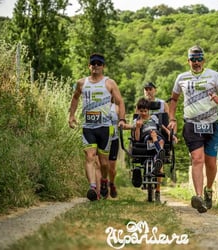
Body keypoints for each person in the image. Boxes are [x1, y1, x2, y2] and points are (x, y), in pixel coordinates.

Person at [167, 45, 218, 213]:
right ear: (188, 61)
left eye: (199, 59)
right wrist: (172, 119)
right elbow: (173, 99)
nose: (196, 62)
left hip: (212, 124)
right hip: (191, 125)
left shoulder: (213, 75)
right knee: (197, 159)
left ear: (204, 60)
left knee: (210, 163)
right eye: (193, 60)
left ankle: (208, 189)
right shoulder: (181, 78)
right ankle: (198, 197)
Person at [68, 53, 126, 201]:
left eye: (98, 64)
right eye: (93, 63)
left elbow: (120, 102)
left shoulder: (110, 83)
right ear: (89, 66)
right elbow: (75, 97)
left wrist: (122, 120)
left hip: (104, 127)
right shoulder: (81, 83)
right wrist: (72, 115)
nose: (95, 66)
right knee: (89, 157)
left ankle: (104, 181)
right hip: (88, 127)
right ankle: (92, 187)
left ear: (103, 67)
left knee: (104, 163)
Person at [132, 98, 172, 203]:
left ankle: (158, 159)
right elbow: (136, 138)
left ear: (149, 110)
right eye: (141, 111)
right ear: (138, 111)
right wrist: (137, 127)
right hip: (146, 138)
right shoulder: (138, 121)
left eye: (145, 111)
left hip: (158, 138)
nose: (144, 113)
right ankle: (159, 154)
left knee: (161, 141)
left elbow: (162, 127)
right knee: (153, 136)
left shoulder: (154, 117)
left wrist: (169, 133)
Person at [108, 101, 119, 198]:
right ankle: (101, 188)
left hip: (113, 139)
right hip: (100, 138)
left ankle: (111, 184)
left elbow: (122, 120)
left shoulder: (116, 107)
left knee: (111, 169)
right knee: (100, 164)